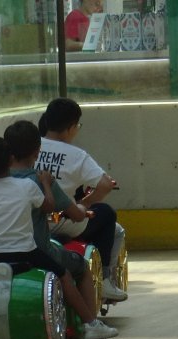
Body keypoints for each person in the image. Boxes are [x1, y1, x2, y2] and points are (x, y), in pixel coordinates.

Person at [0, 136, 119, 339]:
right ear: (10, 159)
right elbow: (48, 206)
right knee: (64, 275)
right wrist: (47, 184)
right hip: (26, 250)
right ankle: (90, 324)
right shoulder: (28, 186)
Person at [36, 98, 127, 301]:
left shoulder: (30, 148)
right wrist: (84, 203)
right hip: (61, 222)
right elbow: (104, 185)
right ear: (70, 127)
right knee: (105, 213)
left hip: (31, 222)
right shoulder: (76, 155)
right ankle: (104, 281)